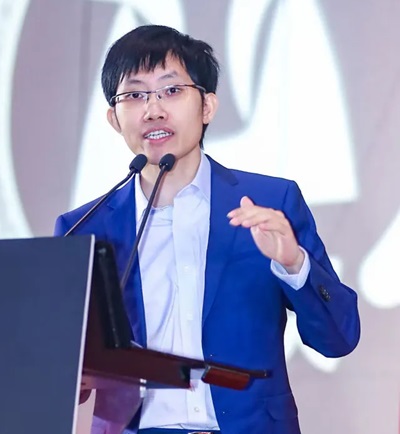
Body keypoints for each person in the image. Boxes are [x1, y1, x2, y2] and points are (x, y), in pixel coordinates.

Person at [54, 25, 360, 433]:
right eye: (135, 95)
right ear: (114, 118)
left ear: (207, 107)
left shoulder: (269, 203)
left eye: (171, 90)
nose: (153, 110)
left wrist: (294, 264)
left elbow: (338, 340)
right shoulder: (83, 228)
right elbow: (62, 373)